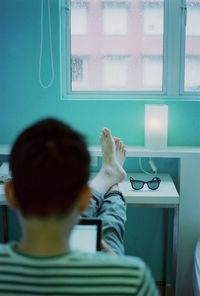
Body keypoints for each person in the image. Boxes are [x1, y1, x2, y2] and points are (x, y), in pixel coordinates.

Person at [0, 118, 158, 295]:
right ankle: (111, 181)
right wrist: (116, 265)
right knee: (108, 234)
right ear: (85, 198)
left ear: (10, 195)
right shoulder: (132, 279)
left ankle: (108, 175)